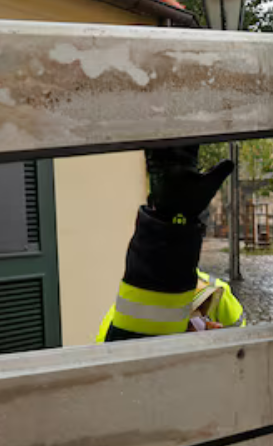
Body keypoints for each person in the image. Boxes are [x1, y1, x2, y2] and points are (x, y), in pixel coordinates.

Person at [98, 145, 245, 341]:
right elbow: (120, 360)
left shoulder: (219, 296)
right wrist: (173, 221)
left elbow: (246, 356)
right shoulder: (120, 317)